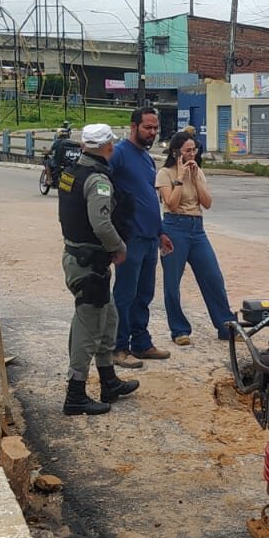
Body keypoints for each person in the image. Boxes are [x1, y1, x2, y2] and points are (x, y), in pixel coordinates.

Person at [57, 123, 140, 415]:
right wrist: (119, 247)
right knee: (88, 328)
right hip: (88, 263)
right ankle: (75, 394)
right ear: (108, 147)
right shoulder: (97, 180)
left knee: (108, 319)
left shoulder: (72, 172)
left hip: (82, 258)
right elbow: (102, 223)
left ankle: (108, 381)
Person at [155, 131, 236, 345]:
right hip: (174, 227)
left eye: (194, 150)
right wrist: (180, 179)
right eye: (187, 151)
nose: (192, 154)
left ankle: (226, 325)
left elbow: (207, 203)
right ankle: (179, 330)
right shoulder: (165, 173)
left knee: (213, 277)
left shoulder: (197, 171)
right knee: (172, 282)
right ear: (176, 152)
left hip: (197, 228)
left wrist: (194, 178)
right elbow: (171, 204)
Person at [109, 107, 175, 369]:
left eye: (155, 128)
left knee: (144, 294)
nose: (153, 132)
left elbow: (149, 198)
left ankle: (141, 343)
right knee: (125, 294)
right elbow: (103, 186)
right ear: (134, 126)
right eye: (148, 127)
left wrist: (160, 232)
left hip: (149, 238)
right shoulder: (119, 154)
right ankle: (118, 347)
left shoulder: (147, 159)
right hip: (130, 238)